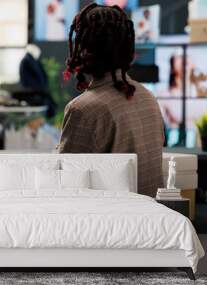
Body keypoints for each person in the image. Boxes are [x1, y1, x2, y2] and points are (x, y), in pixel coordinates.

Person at [58, 3, 165, 197]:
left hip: (110, 222)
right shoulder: (147, 97)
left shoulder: (84, 109)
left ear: (84, 49)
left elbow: (66, 184)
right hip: (152, 221)